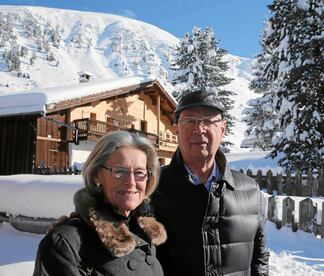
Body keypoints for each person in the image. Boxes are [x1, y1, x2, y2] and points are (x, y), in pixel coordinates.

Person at [152, 90, 270, 276]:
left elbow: (259, 256)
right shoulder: (152, 188)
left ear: (222, 129)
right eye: (190, 121)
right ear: (176, 129)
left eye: (208, 121)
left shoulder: (249, 189)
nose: (199, 129)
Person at [33, 131, 167, 276]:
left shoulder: (144, 231)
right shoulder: (67, 243)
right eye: (120, 171)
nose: (131, 182)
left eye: (140, 173)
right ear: (97, 175)